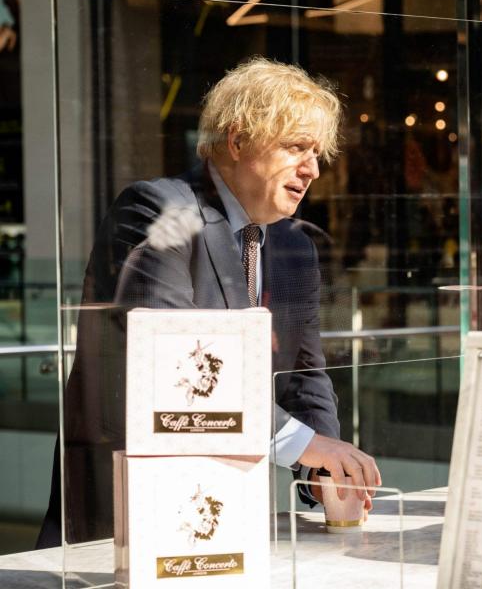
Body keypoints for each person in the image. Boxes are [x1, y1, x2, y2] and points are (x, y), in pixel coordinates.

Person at [37, 57, 380, 547]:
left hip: (222, 524)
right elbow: (169, 368)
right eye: (296, 147)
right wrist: (305, 445)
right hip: (124, 526)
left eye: (317, 152)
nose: (313, 169)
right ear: (238, 141)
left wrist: (324, 472)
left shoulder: (292, 246)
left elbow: (304, 374)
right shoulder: (159, 211)